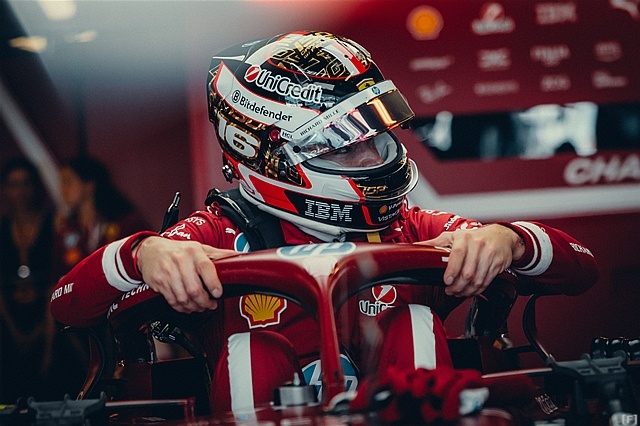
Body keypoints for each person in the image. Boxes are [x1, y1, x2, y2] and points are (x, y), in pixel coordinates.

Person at [50, 31, 599, 418]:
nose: (373, 156)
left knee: (411, 325)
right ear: (263, 153)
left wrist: (507, 240)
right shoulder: (213, 233)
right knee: (252, 354)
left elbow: (582, 268)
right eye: (344, 144)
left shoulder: (410, 224)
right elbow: (66, 304)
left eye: (374, 136)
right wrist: (143, 254)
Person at [0, 157, 56, 402]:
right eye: (13, 184)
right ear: (5, 189)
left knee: (49, 380)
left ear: (35, 186)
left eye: (26, 183)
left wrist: (44, 327)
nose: (20, 191)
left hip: (49, 313)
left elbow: (59, 276)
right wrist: (13, 329)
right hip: (7, 316)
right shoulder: (2, 228)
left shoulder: (54, 224)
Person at [53, 155, 151, 281]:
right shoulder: (66, 228)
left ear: (89, 184)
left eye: (68, 181)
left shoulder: (124, 222)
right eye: (61, 183)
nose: (63, 189)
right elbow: (56, 276)